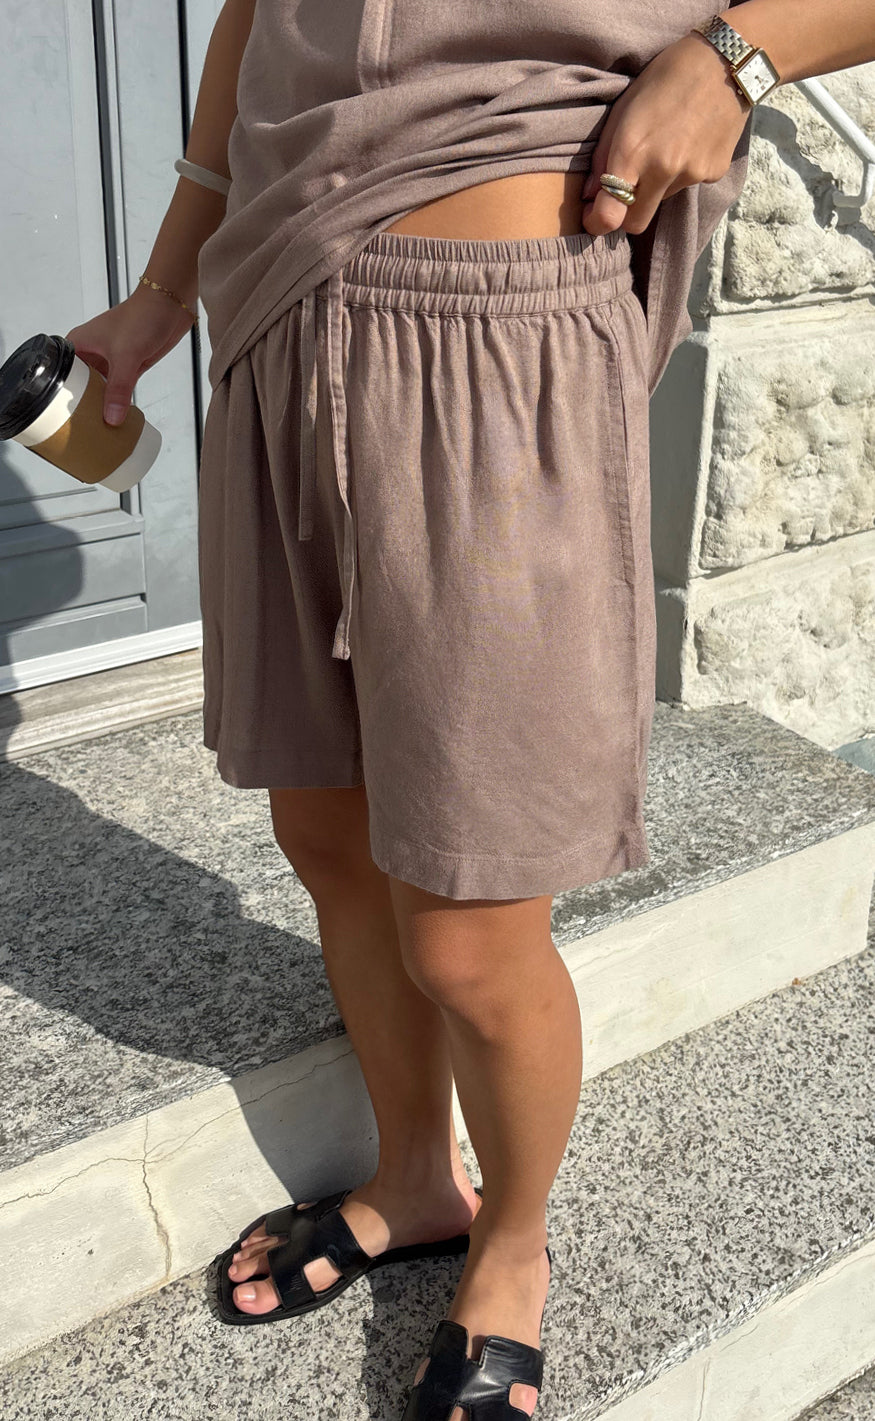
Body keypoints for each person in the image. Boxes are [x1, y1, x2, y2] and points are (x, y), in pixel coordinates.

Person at [66, 3, 875, 1415]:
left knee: (470, 921)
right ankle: (414, 1179)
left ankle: (514, 1242)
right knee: (325, 834)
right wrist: (162, 287)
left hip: (501, 328)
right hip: (273, 310)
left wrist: (737, 58)